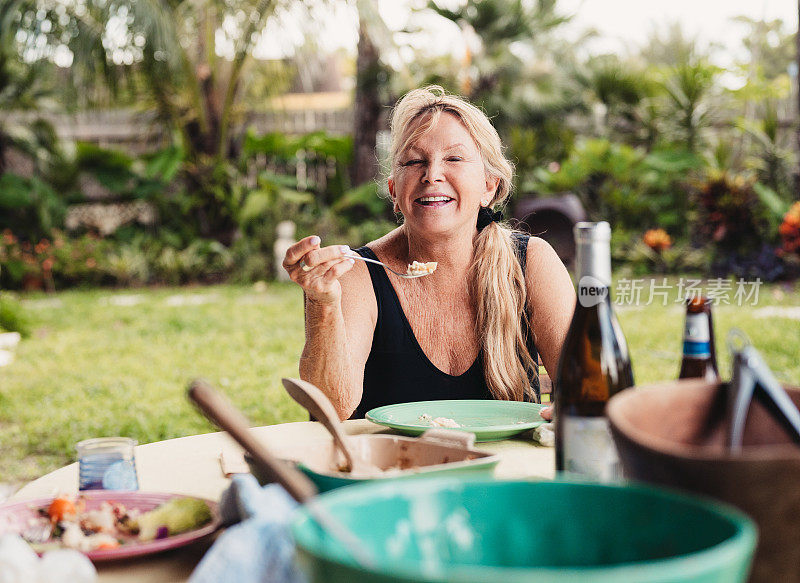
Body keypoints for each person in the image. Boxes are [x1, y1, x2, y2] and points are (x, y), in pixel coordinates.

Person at [283, 86, 575, 420]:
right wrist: (322, 304)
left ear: (489, 186)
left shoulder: (531, 263)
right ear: (394, 190)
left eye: (454, 158)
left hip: (505, 467)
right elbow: (329, 410)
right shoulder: (357, 273)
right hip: (391, 467)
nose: (432, 174)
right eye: (414, 161)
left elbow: (587, 390)